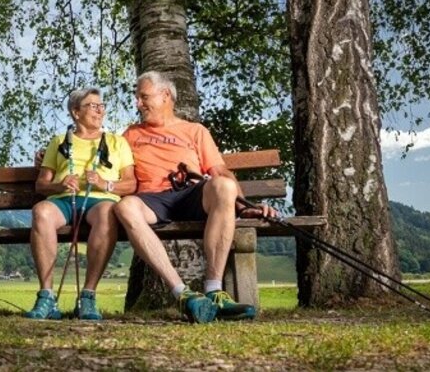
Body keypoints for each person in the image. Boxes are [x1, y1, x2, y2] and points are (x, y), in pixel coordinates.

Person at [116, 71, 277, 323]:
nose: (138, 103)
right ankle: (183, 294)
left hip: (190, 194)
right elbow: (111, 167)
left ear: (165, 95)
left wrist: (243, 206)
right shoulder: (130, 135)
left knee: (223, 186)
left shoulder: (195, 131)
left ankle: (214, 291)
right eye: (137, 98)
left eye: (143, 97)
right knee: (125, 207)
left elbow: (220, 172)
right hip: (152, 200)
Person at [25, 88, 136, 321]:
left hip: (101, 200)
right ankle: (46, 297)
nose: (100, 110)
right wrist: (60, 184)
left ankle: (88, 296)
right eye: (93, 106)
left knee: (107, 213)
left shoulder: (117, 142)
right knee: (41, 211)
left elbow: (131, 183)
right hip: (64, 199)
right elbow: (41, 185)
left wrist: (105, 184)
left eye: (101, 106)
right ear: (76, 112)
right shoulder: (59, 141)